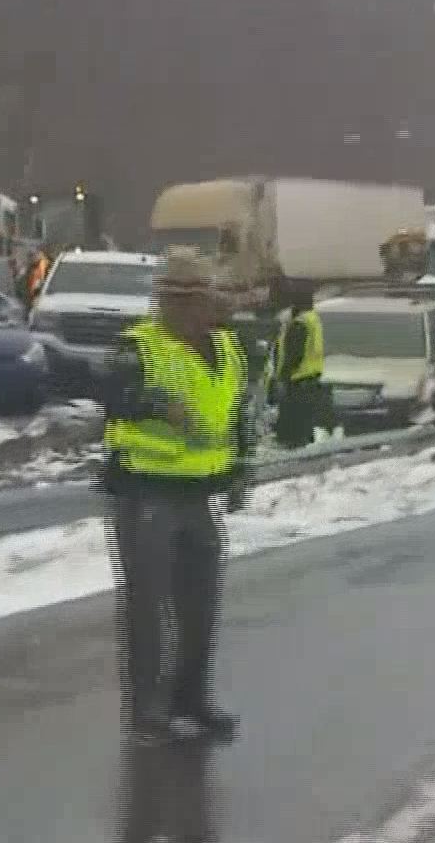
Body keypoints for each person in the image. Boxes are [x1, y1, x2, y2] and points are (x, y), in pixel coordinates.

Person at [98, 246, 252, 747]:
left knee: (199, 607)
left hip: (198, 495)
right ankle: (148, 712)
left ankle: (191, 699)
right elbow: (110, 394)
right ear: (165, 301)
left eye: (199, 298)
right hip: (145, 493)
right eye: (178, 298)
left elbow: (237, 417)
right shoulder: (138, 346)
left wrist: (238, 472)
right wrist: (156, 404)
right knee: (147, 606)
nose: (190, 309)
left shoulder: (228, 350)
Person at [270, 280, 329, 449]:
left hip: (297, 383)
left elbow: (293, 354)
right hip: (310, 380)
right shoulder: (313, 319)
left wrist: (282, 378)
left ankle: (291, 463)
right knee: (303, 428)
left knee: (291, 433)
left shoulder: (300, 323)